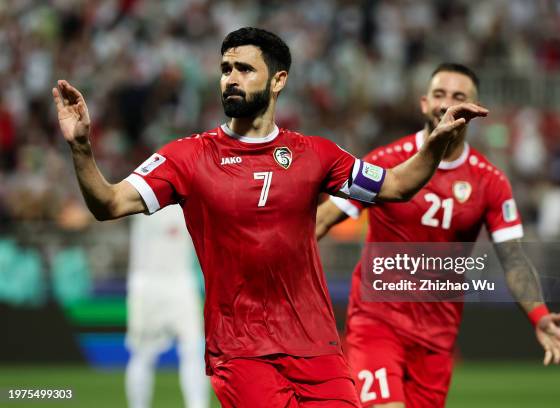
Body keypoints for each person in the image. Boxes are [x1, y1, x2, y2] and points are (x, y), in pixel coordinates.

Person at [52, 27, 487, 407]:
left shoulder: (317, 155)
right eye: (226, 69)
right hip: (241, 352)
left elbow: (396, 186)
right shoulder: (186, 157)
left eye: (245, 69)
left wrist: (434, 144)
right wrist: (81, 148)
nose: (231, 79)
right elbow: (108, 204)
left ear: (278, 80)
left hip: (317, 349)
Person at [316, 63, 560, 408]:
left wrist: (539, 315)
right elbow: (323, 219)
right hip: (377, 323)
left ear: (475, 110)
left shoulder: (490, 181)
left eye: (459, 96)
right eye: (439, 95)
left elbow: (513, 259)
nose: (447, 104)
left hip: (437, 337)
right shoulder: (385, 162)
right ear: (424, 103)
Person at [125, 204, 210, 408]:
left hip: (181, 280)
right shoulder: (142, 187)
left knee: (194, 349)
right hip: (147, 282)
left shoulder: (190, 196)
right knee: (143, 353)